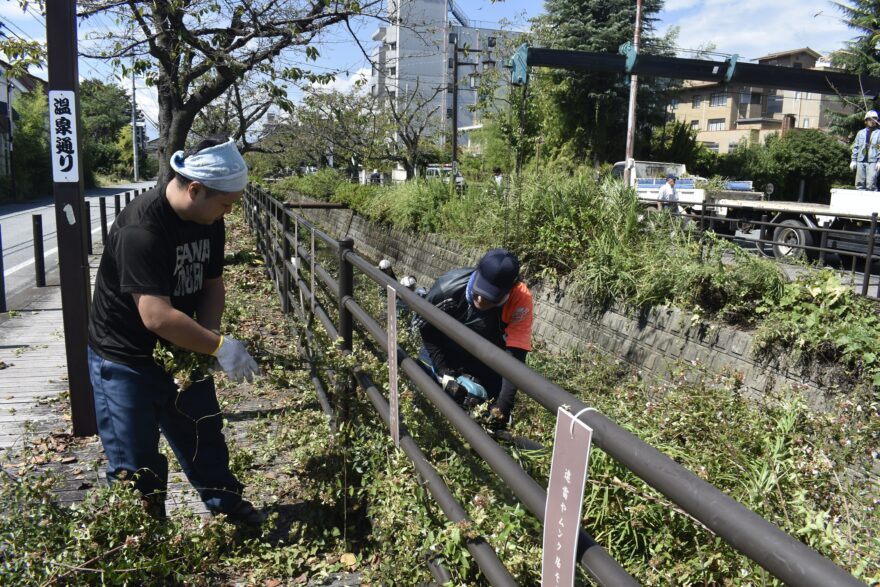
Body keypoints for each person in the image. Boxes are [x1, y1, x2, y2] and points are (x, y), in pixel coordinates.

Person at [87, 137, 263, 524]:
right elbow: (156, 316)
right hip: (126, 358)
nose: (227, 214)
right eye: (225, 204)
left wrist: (209, 338)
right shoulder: (142, 229)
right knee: (135, 463)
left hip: (183, 348)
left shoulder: (208, 219)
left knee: (204, 437)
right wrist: (219, 346)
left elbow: (212, 283)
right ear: (195, 189)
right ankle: (147, 540)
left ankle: (227, 504)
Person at [414, 248, 533, 431]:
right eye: (479, 290)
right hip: (443, 347)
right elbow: (427, 329)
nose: (480, 299)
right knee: (426, 395)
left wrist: (503, 407)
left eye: (489, 297)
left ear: (509, 291)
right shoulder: (448, 288)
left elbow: (515, 355)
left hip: (484, 352)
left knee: (484, 409)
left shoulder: (519, 299)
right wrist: (445, 371)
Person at [850, 110, 880, 190]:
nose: (872, 121)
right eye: (870, 119)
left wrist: (879, 161)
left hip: (873, 162)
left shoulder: (879, 133)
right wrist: (853, 160)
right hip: (860, 160)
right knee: (859, 184)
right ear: (866, 121)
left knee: (871, 184)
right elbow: (856, 147)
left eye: (874, 119)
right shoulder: (860, 133)